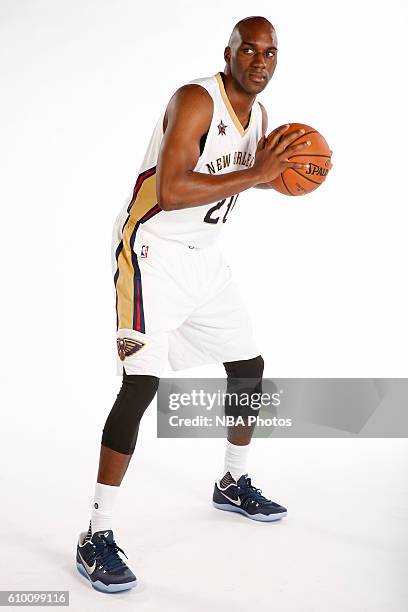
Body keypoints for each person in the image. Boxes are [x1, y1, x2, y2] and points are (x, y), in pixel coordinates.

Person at [75, 15, 311, 593]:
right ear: (228, 52)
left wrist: (280, 174)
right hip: (151, 250)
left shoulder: (257, 116)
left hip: (203, 257)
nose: (260, 60)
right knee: (140, 386)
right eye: (249, 50)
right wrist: (258, 171)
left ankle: (232, 483)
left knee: (248, 367)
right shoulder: (195, 100)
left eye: (270, 53)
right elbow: (175, 188)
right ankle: (96, 534)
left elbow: (238, 173)